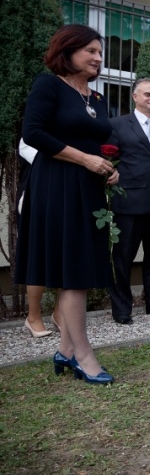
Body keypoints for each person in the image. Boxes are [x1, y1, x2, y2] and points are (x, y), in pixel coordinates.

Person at [18, 24, 119, 384]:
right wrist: (85, 160)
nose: (97, 58)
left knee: (78, 268)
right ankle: (84, 355)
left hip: (88, 189)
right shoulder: (49, 85)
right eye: (90, 50)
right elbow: (34, 133)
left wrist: (108, 168)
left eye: (99, 52)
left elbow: (97, 143)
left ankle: (65, 350)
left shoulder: (96, 98)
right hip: (56, 186)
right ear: (68, 50)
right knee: (72, 270)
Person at [107, 78, 150, 325]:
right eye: (147, 94)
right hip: (129, 204)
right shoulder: (117, 125)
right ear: (135, 97)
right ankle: (122, 309)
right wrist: (110, 174)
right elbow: (105, 157)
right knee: (123, 258)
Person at [16, 140, 60, 338]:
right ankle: (33, 316)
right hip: (36, 202)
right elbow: (51, 158)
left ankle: (60, 313)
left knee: (64, 257)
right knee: (37, 257)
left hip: (63, 199)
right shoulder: (31, 137)